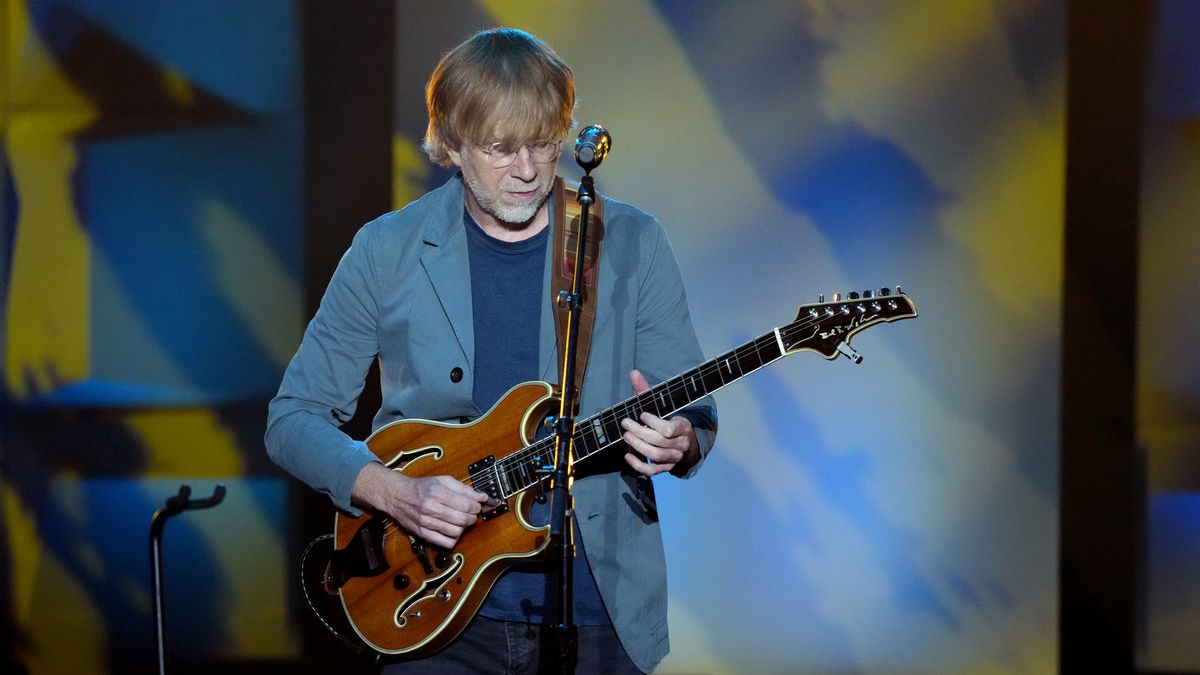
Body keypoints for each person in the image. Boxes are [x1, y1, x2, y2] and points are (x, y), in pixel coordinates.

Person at [266, 27, 717, 674]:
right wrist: (394, 493)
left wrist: (681, 438)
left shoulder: (632, 243)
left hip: (598, 608)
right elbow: (294, 420)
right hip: (435, 613)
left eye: (542, 143)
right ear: (449, 144)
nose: (528, 169)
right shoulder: (385, 248)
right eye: (501, 149)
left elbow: (692, 410)